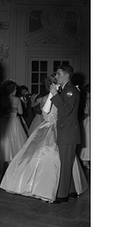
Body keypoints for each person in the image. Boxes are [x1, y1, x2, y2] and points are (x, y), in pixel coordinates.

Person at [0, 75, 88, 203]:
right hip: (55, 128)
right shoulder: (54, 97)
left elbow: (44, 113)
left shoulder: (48, 98)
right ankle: (57, 189)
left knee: (52, 157)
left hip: (50, 128)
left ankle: (63, 189)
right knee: (55, 157)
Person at [50, 64, 82, 202]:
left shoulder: (70, 90)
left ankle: (62, 195)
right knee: (67, 162)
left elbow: (65, 110)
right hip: (67, 131)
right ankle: (71, 190)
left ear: (66, 75)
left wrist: (55, 95)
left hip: (68, 132)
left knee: (64, 163)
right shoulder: (67, 89)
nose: (56, 76)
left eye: (58, 74)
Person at [0, 80, 27, 177]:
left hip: (4, 123)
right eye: (15, 89)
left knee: (4, 146)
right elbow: (20, 112)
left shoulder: (2, 99)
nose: (16, 90)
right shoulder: (17, 99)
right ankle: (12, 174)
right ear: (12, 89)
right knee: (15, 146)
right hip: (14, 123)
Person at [78, 84, 90, 169]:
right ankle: (85, 159)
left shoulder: (88, 100)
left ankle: (86, 159)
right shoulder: (88, 100)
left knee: (88, 139)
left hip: (89, 121)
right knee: (87, 139)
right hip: (88, 121)